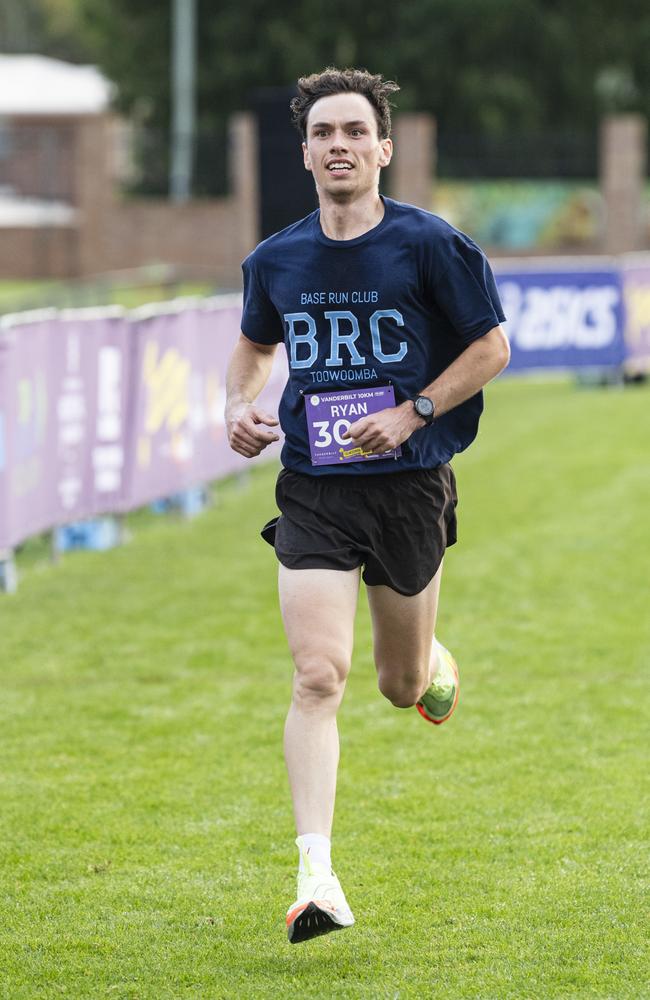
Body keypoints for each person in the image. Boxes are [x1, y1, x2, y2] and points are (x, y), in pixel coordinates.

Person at [225, 67, 510, 944]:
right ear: (306, 152)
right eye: (322, 133)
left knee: (396, 685)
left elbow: (492, 346)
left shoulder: (431, 246)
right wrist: (237, 404)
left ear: (382, 148)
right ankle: (317, 877)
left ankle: (430, 661)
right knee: (318, 676)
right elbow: (252, 346)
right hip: (314, 488)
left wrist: (414, 410)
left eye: (354, 131)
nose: (338, 145)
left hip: (409, 487)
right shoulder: (275, 258)